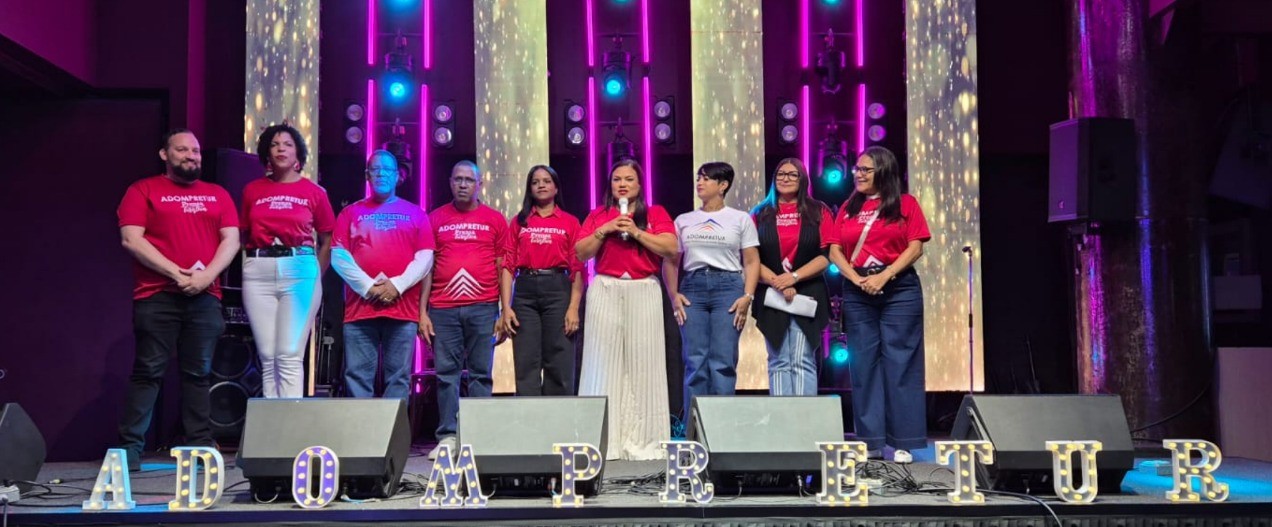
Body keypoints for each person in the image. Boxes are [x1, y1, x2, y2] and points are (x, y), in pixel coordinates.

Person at [116, 128, 240, 471]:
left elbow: (231, 240)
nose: (191, 156)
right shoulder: (143, 190)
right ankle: (129, 451)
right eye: (183, 150)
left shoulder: (217, 194)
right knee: (148, 371)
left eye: (195, 151)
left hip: (205, 296)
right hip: (157, 295)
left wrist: (206, 276)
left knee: (199, 374)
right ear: (164, 154)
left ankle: (199, 446)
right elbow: (131, 239)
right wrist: (177, 273)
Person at [827, 145, 931, 463]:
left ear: (883, 171)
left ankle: (903, 442)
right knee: (863, 364)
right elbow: (833, 249)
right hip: (859, 289)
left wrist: (885, 275)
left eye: (865, 170)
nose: (858, 174)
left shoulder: (905, 203)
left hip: (899, 288)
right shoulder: (848, 207)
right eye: (856, 169)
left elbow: (916, 247)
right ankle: (870, 441)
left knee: (901, 362)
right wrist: (855, 279)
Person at [574, 159, 678, 460]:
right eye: (617, 179)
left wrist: (636, 232)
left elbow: (671, 249)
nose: (622, 184)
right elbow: (580, 253)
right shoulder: (598, 215)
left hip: (643, 288)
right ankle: (602, 442)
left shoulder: (655, 213)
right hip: (605, 288)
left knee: (644, 363)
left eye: (629, 179)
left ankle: (645, 441)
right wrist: (604, 230)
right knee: (601, 362)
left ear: (640, 184)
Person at [419, 161, 507, 460]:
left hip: (483, 307)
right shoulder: (435, 218)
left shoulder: (495, 219)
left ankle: (477, 435)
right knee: (446, 375)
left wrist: (504, 310)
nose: (463, 184)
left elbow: (502, 267)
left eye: (469, 180)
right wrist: (422, 312)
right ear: (450, 182)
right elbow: (427, 268)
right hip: (443, 309)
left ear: (480, 184)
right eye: (458, 179)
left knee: (482, 374)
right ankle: (447, 436)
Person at [331, 150, 435, 402]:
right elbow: (339, 256)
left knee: (398, 379)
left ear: (397, 176)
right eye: (375, 170)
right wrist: (369, 287)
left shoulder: (416, 213)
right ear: (367, 175)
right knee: (357, 377)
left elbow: (425, 258)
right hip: (360, 310)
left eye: (387, 170)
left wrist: (396, 286)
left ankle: (394, 429)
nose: (381, 174)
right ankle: (362, 429)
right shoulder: (350, 213)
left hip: (402, 310)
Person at [240, 123, 335, 398]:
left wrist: (315, 273)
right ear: (266, 153)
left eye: (287, 144)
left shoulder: (314, 192)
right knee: (268, 356)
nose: (281, 149)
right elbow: (243, 233)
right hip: (258, 270)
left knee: (289, 354)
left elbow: (328, 239)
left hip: (299, 268)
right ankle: (273, 420)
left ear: (298, 154)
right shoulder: (252, 190)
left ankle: (290, 421)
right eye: (274, 144)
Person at [664, 162, 759, 420]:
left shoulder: (740, 218)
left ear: (723, 185)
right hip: (692, 288)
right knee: (695, 361)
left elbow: (751, 261)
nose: (700, 183)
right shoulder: (683, 220)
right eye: (699, 178)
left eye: (706, 179)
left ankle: (722, 427)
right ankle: (694, 428)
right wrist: (673, 295)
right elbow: (671, 261)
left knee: (723, 361)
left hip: (728, 287)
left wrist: (747, 296)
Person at [749, 158, 834, 397]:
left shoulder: (819, 211)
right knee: (778, 360)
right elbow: (750, 258)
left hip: (808, 292)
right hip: (771, 293)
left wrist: (794, 278)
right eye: (780, 174)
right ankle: (781, 418)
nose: (785, 178)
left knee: (802, 359)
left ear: (803, 179)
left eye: (792, 174)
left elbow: (827, 256)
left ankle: (804, 418)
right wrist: (778, 282)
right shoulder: (759, 213)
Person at [498, 165, 584, 396]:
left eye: (546, 181)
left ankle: (557, 417)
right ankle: (530, 417)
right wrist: (506, 308)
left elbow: (578, 268)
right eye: (535, 182)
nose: (541, 185)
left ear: (556, 188)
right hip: (525, 292)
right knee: (526, 360)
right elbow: (507, 265)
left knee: (559, 360)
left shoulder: (570, 222)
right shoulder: (519, 221)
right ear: (530, 189)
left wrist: (573, 308)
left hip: (558, 290)